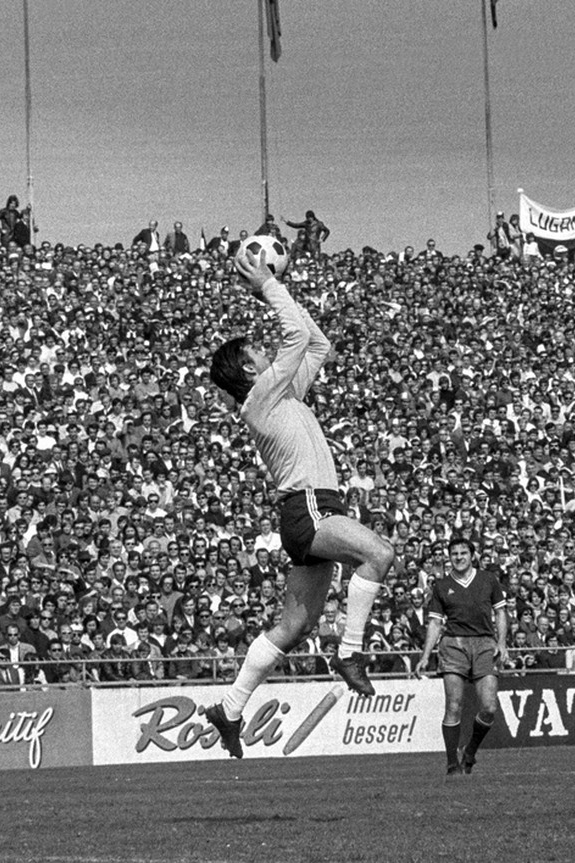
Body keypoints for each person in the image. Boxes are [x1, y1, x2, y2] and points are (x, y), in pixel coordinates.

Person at [203, 248, 396, 757]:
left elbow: (316, 342)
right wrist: (268, 285)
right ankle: (350, 653)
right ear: (248, 368)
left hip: (309, 509)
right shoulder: (260, 397)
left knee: (293, 627)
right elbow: (294, 337)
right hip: (308, 507)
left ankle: (229, 708)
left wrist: (273, 286)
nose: (269, 353)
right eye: (258, 352)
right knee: (378, 553)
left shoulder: (280, 394)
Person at [414, 537, 509, 775]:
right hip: (453, 644)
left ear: (472, 555)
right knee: (453, 706)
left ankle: (469, 752)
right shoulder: (442, 585)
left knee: (488, 707)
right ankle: (451, 764)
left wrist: (502, 643)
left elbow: (501, 613)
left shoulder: (488, 579)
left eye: (463, 553)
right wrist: (425, 655)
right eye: (454, 553)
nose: (458, 557)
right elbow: (435, 623)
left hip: (485, 644)